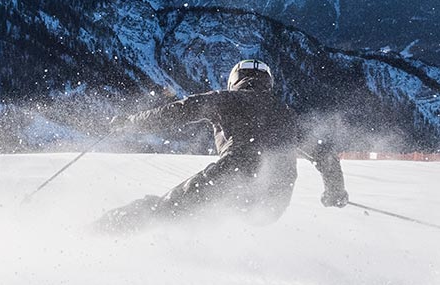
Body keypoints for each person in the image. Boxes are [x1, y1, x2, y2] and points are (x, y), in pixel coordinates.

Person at [97, 58, 348, 233]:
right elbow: (324, 154)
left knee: (165, 209)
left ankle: (99, 231)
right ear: (268, 83)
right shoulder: (288, 114)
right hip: (275, 201)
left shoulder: (224, 100)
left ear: (234, 81)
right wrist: (335, 191)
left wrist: (130, 123)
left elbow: (176, 112)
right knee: (209, 216)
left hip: (234, 176)